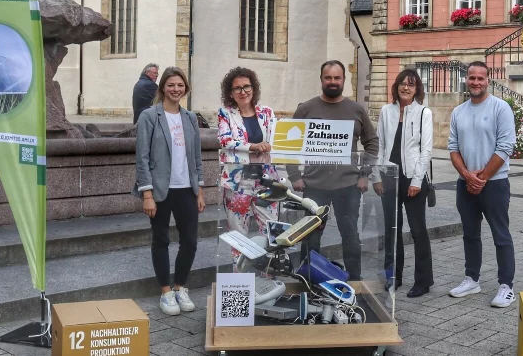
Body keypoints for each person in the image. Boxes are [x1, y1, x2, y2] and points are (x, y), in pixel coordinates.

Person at [287, 60, 378, 281]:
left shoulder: (356, 110)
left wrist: (364, 174)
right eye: (328, 77)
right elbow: (290, 144)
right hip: (315, 185)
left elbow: (372, 143)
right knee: (310, 237)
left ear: (344, 80)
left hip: (348, 185)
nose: (333, 82)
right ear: (321, 79)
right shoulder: (306, 109)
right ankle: (309, 281)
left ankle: (354, 282)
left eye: (337, 78)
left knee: (350, 235)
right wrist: (294, 175)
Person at [133, 66, 206, 316]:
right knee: (161, 240)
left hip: (187, 188)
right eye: (171, 85)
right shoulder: (150, 116)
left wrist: (200, 190)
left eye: (180, 85)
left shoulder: (190, 118)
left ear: (185, 88)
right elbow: (142, 157)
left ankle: (180, 287)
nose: (176, 89)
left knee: (190, 242)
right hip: (160, 190)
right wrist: (147, 195)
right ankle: (165, 292)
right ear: (163, 87)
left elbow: (196, 157)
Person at [447, 61, 517, 308]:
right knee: (470, 234)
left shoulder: (500, 108)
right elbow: (453, 148)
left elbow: (505, 147)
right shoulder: (458, 112)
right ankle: (472, 279)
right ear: (466, 79)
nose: (476, 82)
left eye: (480, 78)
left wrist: (482, 178)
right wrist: (467, 175)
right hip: (465, 184)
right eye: (472, 78)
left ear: (488, 81)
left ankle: (506, 286)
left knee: (501, 235)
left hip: (494, 184)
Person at [373, 68, 434, 298]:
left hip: (413, 178)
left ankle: (423, 281)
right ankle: (393, 276)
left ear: (417, 88)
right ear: (396, 86)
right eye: (402, 83)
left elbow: (426, 150)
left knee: (418, 231)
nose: (405, 87)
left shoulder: (423, 113)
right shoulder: (386, 111)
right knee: (391, 230)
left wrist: (417, 180)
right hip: (389, 177)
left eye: (411, 84)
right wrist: (376, 176)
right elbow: (379, 146)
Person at [216, 67, 278, 263]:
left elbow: (276, 140)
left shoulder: (266, 113)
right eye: (237, 89)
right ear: (231, 93)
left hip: (266, 181)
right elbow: (224, 141)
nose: (243, 92)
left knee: (271, 231)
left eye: (246, 87)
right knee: (238, 235)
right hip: (238, 183)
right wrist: (252, 146)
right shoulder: (226, 113)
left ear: (253, 88)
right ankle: (240, 282)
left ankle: (267, 280)